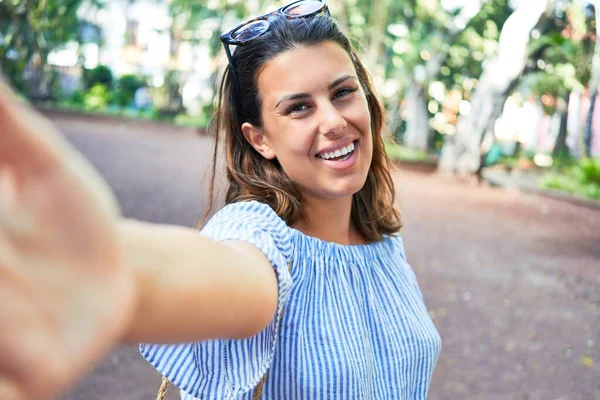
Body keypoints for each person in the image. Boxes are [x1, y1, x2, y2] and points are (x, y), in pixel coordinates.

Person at [0, 1, 441, 399]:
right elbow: (226, 276)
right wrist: (103, 266)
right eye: (299, 108)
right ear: (260, 138)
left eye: (343, 92)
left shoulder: (383, 240)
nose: (333, 120)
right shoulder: (259, 238)